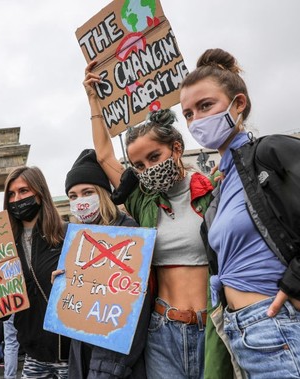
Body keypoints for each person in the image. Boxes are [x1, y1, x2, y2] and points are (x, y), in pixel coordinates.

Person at [179, 48, 300, 377]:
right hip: (243, 335)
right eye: (188, 114)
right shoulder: (222, 187)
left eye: (205, 106)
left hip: (283, 330)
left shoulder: (270, 154)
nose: (197, 121)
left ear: (238, 104)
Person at [83, 63, 218, 378]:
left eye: (154, 157)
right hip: (162, 330)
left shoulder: (212, 193)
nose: (147, 168)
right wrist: (93, 100)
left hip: (211, 328)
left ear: (177, 148)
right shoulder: (143, 197)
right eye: (138, 164)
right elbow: (104, 156)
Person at [51, 148, 149, 378]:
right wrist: (62, 285)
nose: (80, 201)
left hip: (116, 364)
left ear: (104, 193)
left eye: (87, 192)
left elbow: (133, 313)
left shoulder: (128, 232)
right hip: (84, 355)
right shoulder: (76, 239)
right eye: (73, 196)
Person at [3, 166, 70, 378]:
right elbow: (1, 308)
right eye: (11, 194)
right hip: (33, 352)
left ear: (40, 194)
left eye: (24, 191)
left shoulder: (66, 235)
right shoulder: (4, 247)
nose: (16, 199)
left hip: (68, 351)